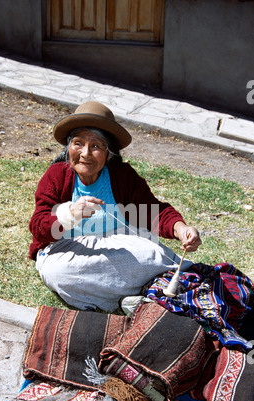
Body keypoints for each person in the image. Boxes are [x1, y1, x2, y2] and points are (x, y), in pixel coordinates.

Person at [29, 101, 202, 312]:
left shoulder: (122, 176)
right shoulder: (57, 175)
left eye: (96, 146)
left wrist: (180, 228)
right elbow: (38, 226)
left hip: (118, 245)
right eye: (78, 143)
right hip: (68, 251)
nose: (85, 153)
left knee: (150, 253)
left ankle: (131, 296)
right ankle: (136, 293)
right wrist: (68, 214)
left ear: (109, 153)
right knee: (59, 274)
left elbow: (153, 211)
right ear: (68, 147)